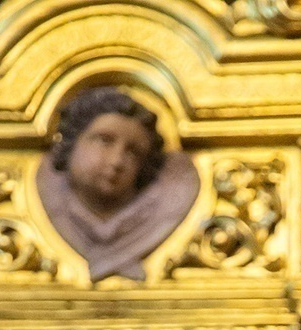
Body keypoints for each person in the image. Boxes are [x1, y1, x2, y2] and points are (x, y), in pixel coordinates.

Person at [36, 85, 199, 283]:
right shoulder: (47, 197)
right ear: (72, 140)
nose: (117, 161)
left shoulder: (164, 211)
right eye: (105, 140)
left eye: (133, 152)